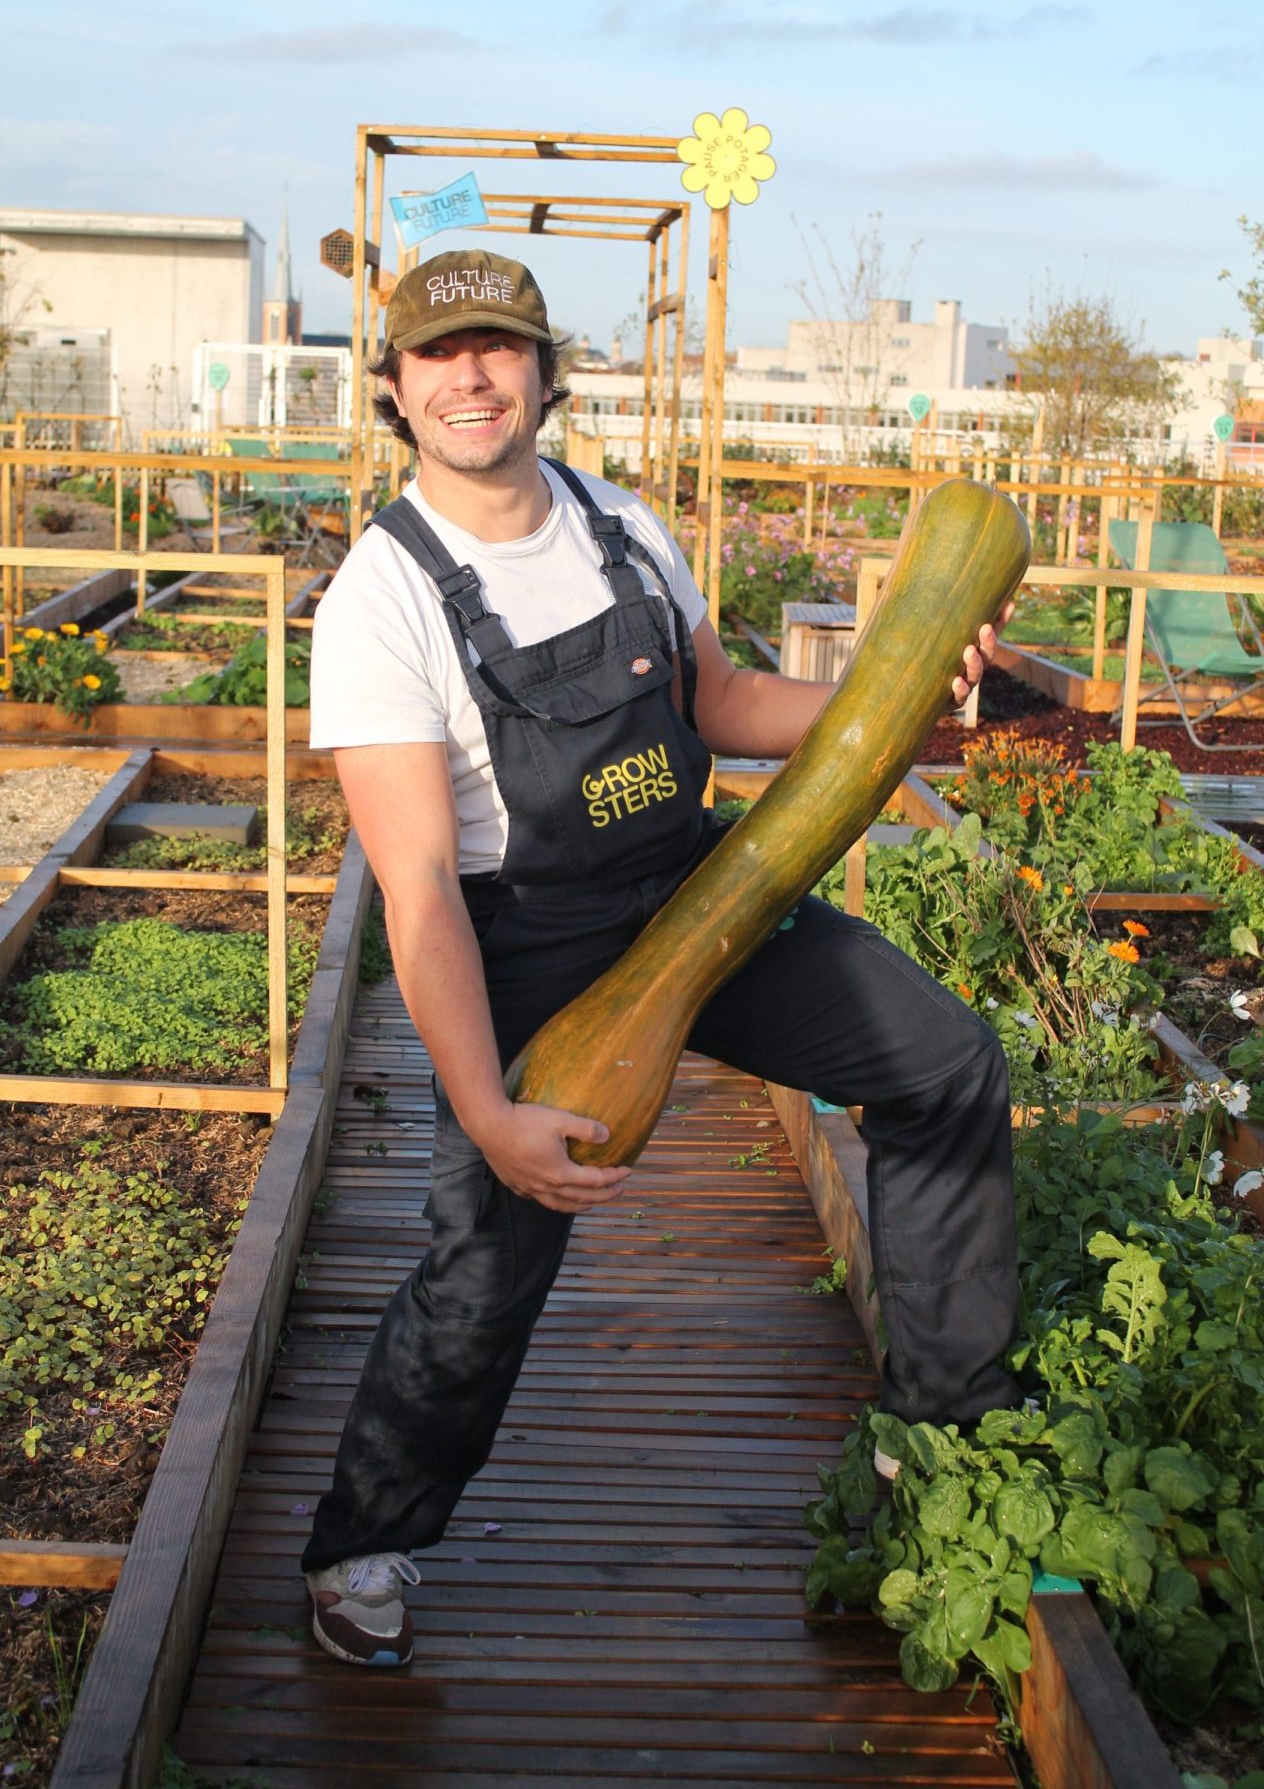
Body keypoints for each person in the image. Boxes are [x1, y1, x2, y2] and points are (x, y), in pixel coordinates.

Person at [302, 248, 1019, 1667]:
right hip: (520, 943)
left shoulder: (618, 525)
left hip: (696, 893)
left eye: (499, 347)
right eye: (438, 355)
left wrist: (899, 686)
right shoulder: (378, 604)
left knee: (945, 1067)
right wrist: (490, 1110)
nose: (472, 377)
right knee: (484, 1265)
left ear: (547, 374)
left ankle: (943, 1443)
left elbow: (728, 702)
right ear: (392, 388)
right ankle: (360, 1547)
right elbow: (424, 889)